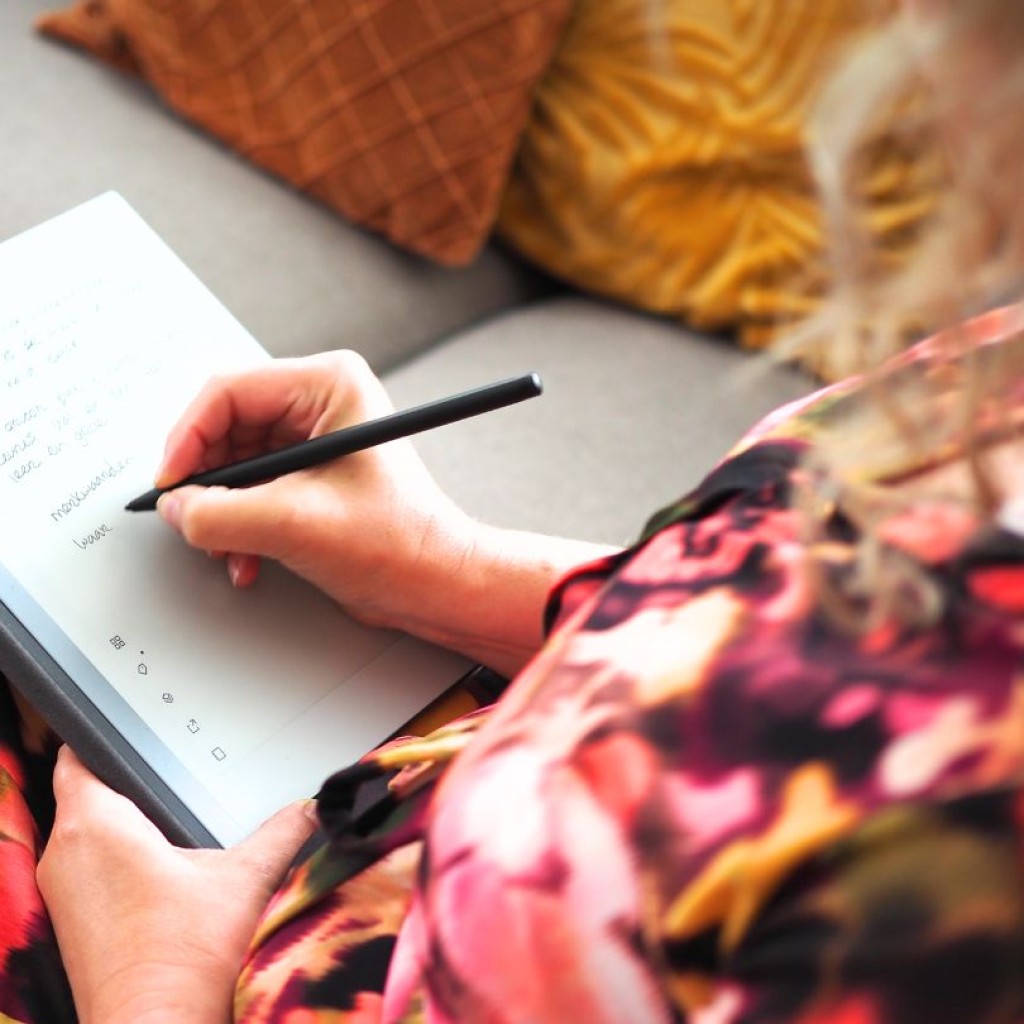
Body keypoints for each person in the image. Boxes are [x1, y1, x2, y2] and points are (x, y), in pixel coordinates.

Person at [2, 0, 1024, 1021]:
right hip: (384, 775)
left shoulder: (960, 879)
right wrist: (443, 566)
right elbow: (776, 634)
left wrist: (151, 980)